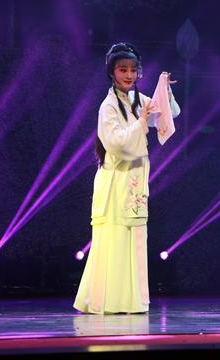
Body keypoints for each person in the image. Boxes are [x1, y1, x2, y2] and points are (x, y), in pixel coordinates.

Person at [74, 42, 180, 314]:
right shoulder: (108, 106)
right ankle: (105, 301)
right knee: (114, 242)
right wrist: (141, 122)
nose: (129, 75)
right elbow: (117, 144)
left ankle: (132, 301)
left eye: (133, 69)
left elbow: (167, 115)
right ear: (112, 72)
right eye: (123, 69)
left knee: (134, 242)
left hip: (134, 182)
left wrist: (164, 91)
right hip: (115, 184)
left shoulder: (138, 100)